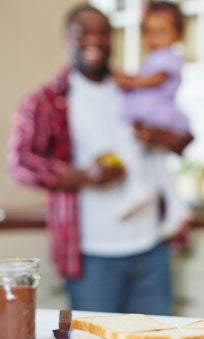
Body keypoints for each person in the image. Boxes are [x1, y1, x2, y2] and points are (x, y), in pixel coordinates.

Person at [7, 4, 193, 315]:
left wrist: (159, 136)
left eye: (103, 32)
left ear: (113, 39)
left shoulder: (133, 87)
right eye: (83, 32)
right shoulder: (47, 101)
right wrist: (84, 175)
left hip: (151, 247)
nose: (95, 39)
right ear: (67, 39)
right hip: (90, 255)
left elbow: (183, 138)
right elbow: (20, 164)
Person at [112, 1, 190, 238]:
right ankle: (177, 207)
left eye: (161, 32)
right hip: (153, 111)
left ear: (178, 34)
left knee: (126, 140)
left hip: (155, 113)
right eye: (149, 32)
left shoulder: (169, 57)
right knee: (158, 163)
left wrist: (129, 81)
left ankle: (140, 186)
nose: (153, 39)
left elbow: (155, 80)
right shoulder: (156, 56)